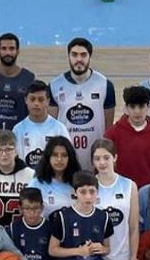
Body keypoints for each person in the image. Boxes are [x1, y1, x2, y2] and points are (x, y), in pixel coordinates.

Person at [49, 37, 116, 171]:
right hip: (65, 158)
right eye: (74, 55)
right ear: (68, 56)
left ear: (89, 56)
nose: (79, 59)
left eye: (83, 55)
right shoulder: (54, 86)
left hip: (96, 159)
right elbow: (52, 126)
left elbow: (108, 128)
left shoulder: (105, 85)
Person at [104, 85, 150, 189]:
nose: (137, 111)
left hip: (146, 191)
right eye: (132, 106)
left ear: (148, 106)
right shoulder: (112, 134)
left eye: (141, 106)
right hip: (118, 190)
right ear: (126, 108)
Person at [12, 81, 70, 169]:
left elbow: (68, 158)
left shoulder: (59, 129)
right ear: (26, 100)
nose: (36, 103)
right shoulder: (17, 129)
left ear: (48, 101)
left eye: (41, 99)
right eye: (32, 99)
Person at [27, 136, 81, 217]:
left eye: (64, 155)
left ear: (70, 158)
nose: (59, 159)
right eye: (55, 155)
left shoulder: (78, 183)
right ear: (48, 157)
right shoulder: (36, 184)